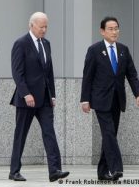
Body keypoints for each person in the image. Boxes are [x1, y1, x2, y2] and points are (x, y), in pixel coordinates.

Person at [9, 12, 69, 182]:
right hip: (26, 98)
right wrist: (26, 93)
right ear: (31, 25)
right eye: (41, 26)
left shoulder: (46, 44)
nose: (44, 30)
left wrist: (53, 95)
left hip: (44, 99)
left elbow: (48, 72)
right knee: (21, 134)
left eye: (46, 26)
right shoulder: (20, 44)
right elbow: (17, 73)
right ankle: (14, 171)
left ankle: (55, 170)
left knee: (49, 132)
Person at [81, 16, 139, 181]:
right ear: (102, 31)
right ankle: (116, 168)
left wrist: (137, 93)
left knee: (110, 134)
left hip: (117, 99)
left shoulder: (123, 49)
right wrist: (84, 99)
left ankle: (102, 171)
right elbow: (87, 76)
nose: (114, 32)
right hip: (100, 99)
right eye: (111, 29)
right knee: (108, 133)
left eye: (116, 28)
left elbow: (132, 75)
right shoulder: (94, 50)